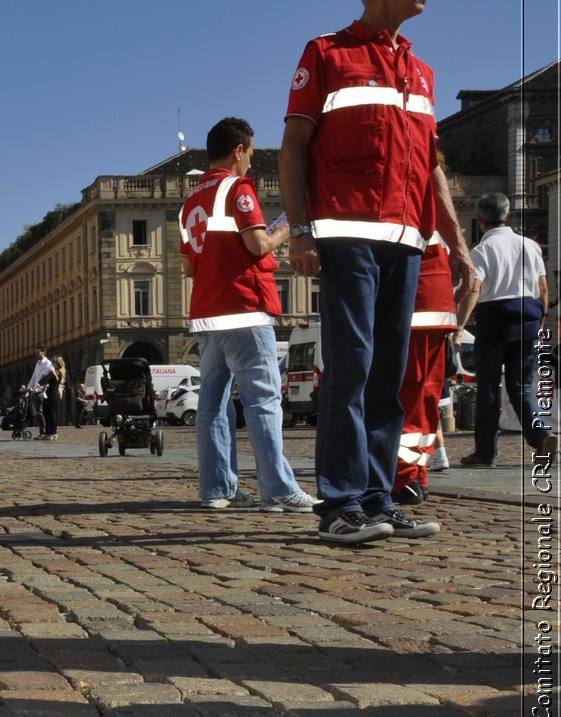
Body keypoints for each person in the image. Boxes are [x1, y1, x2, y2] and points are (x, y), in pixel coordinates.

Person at [280, 0, 469, 543]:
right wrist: (299, 231)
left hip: (407, 239)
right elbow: (294, 150)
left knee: (389, 375)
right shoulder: (325, 54)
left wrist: (456, 243)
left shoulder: (421, 71)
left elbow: (432, 168)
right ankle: (340, 503)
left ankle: (379, 499)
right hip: (347, 234)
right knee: (352, 368)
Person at [182, 116, 315, 514]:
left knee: (212, 406)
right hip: (243, 307)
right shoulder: (237, 189)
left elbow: (189, 268)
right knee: (263, 403)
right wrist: (287, 229)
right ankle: (278, 488)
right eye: (251, 154)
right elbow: (258, 246)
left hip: (207, 315)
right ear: (238, 150)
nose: (251, 164)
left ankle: (218, 490)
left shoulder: (190, 203)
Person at [457, 192, 554, 467]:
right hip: (528, 317)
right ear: (507, 215)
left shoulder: (481, 251)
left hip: (494, 320)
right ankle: (540, 434)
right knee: (521, 387)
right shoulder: (530, 246)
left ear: (480, 220)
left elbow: (474, 289)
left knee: (488, 388)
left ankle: (485, 453)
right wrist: (540, 322)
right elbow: (543, 288)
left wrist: (460, 324)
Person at [394, 192, 463, 504]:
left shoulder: (407, 198)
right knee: (426, 401)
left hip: (416, 309)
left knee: (410, 398)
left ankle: (404, 477)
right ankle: (416, 474)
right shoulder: (435, 207)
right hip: (437, 310)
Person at [27, 348, 59, 440]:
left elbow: (46, 378)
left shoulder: (48, 364)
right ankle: (44, 432)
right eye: (35, 352)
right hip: (37, 390)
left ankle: (46, 432)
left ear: (44, 352)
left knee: (43, 413)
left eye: (38, 352)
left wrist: (37, 387)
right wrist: (30, 387)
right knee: (42, 413)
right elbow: (34, 377)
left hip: (43, 391)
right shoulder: (38, 363)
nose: (36, 353)